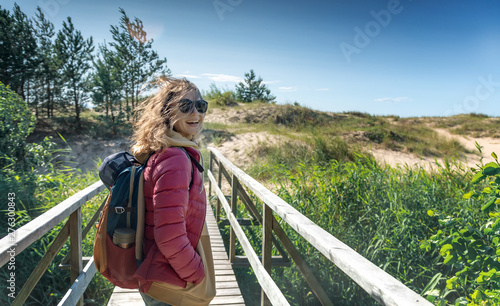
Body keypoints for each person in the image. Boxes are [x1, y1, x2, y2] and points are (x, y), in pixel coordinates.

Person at [130, 77, 210, 306]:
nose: (196, 113)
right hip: (170, 279)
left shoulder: (164, 151)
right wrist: (196, 273)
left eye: (201, 106)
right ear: (167, 112)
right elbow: (169, 237)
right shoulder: (175, 158)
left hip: (160, 269)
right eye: (185, 106)